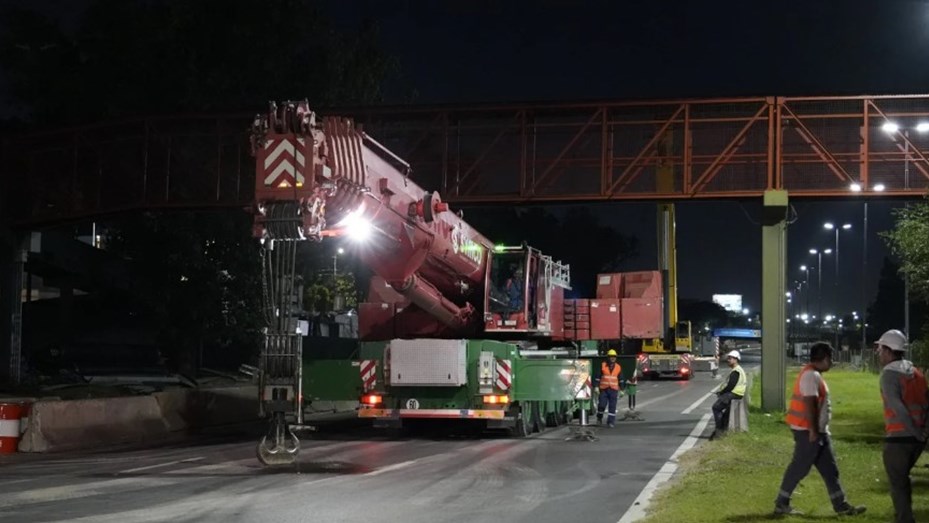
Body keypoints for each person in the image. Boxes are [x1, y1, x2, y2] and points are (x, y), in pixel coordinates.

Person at [773, 342, 866, 516]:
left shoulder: (813, 374)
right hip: (808, 432)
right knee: (799, 468)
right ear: (824, 358)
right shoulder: (811, 376)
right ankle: (781, 503)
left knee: (830, 470)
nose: (832, 362)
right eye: (831, 358)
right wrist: (814, 431)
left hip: (817, 432)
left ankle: (841, 506)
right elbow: (810, 404)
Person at [875, 329, 928, 523]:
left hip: (898, 438)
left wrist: (915, 431)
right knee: (903, 479)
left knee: (898, 483)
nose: (879, 353)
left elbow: (897, 407)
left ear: (889, 351)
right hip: (918, 440)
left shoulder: (888, 375)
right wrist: (923, 433)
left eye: (880, 349)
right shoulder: (917, 373)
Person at [709, 350, 746, 440]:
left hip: (734, 394)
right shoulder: (737, 370)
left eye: (730, 358)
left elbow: (731, 386)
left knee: (716, 407)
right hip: (737, 394)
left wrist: (722, 393)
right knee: (726, 413)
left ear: (736, 360)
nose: (728, 360)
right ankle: (722, 429)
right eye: (728, 358)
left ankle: (719, 430)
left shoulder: (736, 371)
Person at [596, 349, 622, 428]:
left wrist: (622, 389)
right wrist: (596, 387)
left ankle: (611, 422)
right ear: (608, 357)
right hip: (604, 389)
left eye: (614, 356)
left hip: (613, 389)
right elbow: (597, 377)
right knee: (602, 405)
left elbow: (621, 379)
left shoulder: (618, 367)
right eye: (611, 356)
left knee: (612, 407)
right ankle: (599, 418)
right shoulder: (603, 365)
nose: (612, 358)